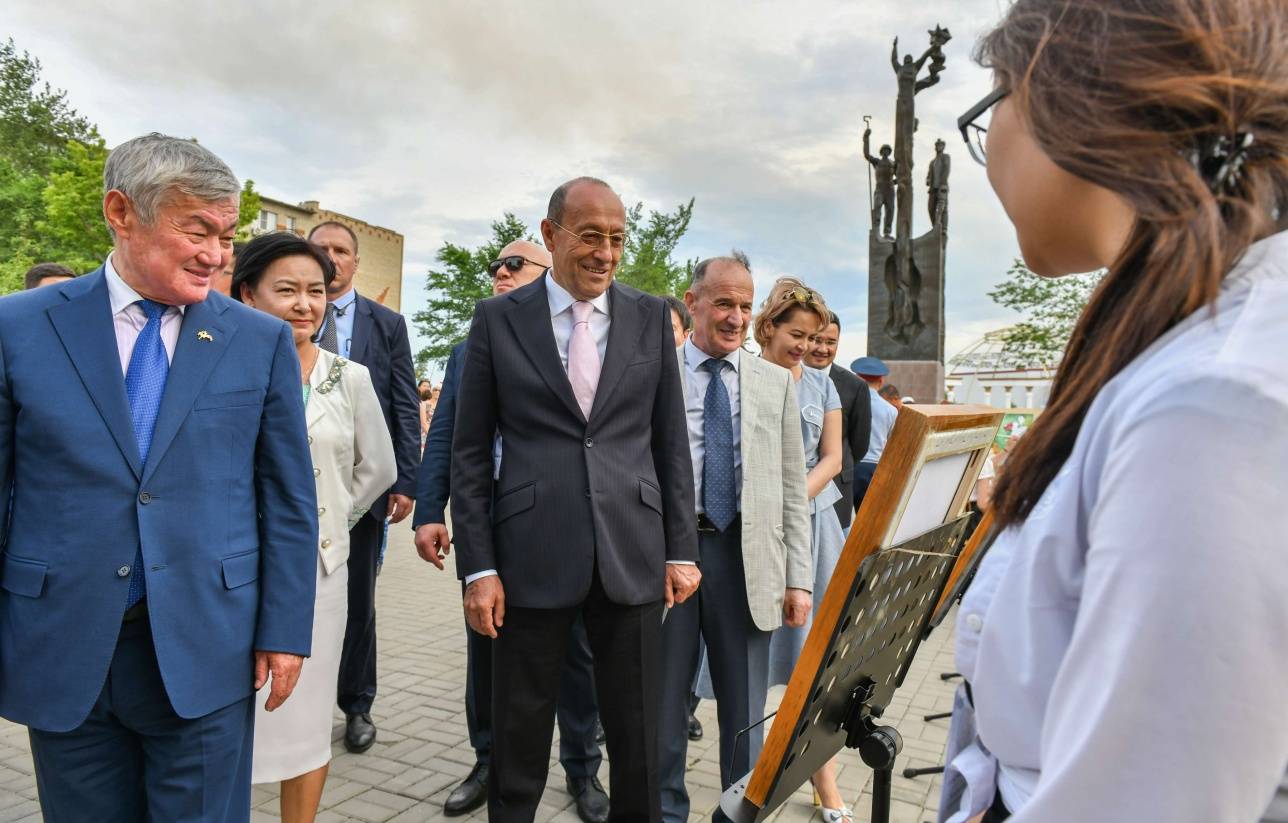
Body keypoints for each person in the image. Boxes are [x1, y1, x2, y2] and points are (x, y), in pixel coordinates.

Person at [939, 1, 1288, 821]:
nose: (989, 146)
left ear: (1070, 95)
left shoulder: (1211, 409)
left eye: (993, 103)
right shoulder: (1192, 348)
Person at [0, 133, 317, 821]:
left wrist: (286, 628)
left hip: (208, 643)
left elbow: (289, 499)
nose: (216, 253)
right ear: (121, 211)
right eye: (197, 229)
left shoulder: (256, 339)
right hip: (62, 642)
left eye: (226, 235)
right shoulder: (17, 327)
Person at [451, 177, 699, 822]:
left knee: (639, 742)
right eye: (591, 236)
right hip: (529, 558)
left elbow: (670, 443)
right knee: (518, 740)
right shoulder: (497, 319)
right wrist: (478, 567)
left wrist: (681, 549)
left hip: (633, 555)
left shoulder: (649, 317)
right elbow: (470, 452)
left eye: (617, 238)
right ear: (550, 234)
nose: (606, 253)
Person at [413, 238, 608, 821]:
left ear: (550, 273)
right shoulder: (470, 343)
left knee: (578, 654)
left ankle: (583, 770)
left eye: (513, 264)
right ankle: (488, 761)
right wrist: (429, 510)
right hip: (491, 520)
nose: (499, 272)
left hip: (570, 524)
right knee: (490, 650)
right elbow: (448, 433)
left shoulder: (584, 340)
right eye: (494, 264)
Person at [233, 232, 396, 822]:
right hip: (228, 572)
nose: (305, 304)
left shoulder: (347, 378)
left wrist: (325, 523)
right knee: (227, 718)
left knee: (301, 717)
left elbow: (379, 468)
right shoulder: (217, 369)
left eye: (316, 292)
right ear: (248, 294)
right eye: (287, 291)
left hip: (318, 575)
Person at [659, 253, 813, 823]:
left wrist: (799, 578)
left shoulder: (775, 383)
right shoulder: (653, 371)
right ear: (693, 301)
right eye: (724, 303)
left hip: (749, 562)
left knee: (745, 713)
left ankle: (737, 814)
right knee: (663, 704)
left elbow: (794, 489)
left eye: (746, 306)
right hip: (670, 557)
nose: (736, 317)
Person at [308, 220, 420, 753]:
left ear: (356, 263)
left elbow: (403, 402)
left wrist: (405, 482)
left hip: (363, 491)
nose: (330, 258)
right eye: (319, 249)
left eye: (339, 250)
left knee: (357, 602)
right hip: (297, 484)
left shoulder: (387, 323)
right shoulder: (279, 316)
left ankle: (357, 705)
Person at [756, 279, 850, 823]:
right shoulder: (744, 376)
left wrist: (789, 503)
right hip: (752, 534)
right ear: (768, 326)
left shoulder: (822, 386)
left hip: (813, 534)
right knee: (742, 657)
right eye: (799, 334)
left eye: (815, 337)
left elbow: (832, 459)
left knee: (815, 665)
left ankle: (825, 782)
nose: (808, 347)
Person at [806, 312, 872, 532]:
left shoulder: (855, 387)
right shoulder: (785, 375)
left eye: (831, 342)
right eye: (816, 339)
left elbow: (859, 444)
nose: (823, 349)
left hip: (836, 489)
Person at [850, 356, 898, 512]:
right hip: (875, 468)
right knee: (867, 518)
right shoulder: (890, 410)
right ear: (881, 381)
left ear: (856, 378)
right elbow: (891, 443)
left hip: (849, 466)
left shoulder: (847, 403)